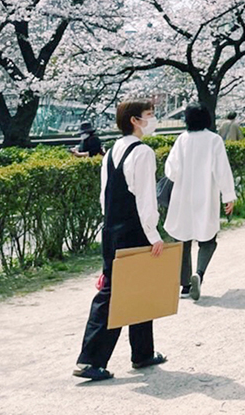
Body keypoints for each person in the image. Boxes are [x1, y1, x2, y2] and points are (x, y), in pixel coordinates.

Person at [74, 99, 167, 382]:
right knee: (122, 291)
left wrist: (111, 228)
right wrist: (153, 234)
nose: (153, 120)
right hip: (135, 231)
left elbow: (106, 197)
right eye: (150, 115)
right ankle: (90, 360)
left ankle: (143, 352)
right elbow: (145, 199)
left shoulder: (112, 151)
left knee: (127, 288)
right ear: (135, 121)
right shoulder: (143, 153)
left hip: (112, 230)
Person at [164, 103, 237, 300]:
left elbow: (170, 170)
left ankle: (186, 286)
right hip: (206, 195)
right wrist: (228, 196)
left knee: (182, 239)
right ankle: (200, 274)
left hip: (183, 195)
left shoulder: (182, 140)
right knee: (208, 239)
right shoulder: (214, 140)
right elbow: (222, 170)